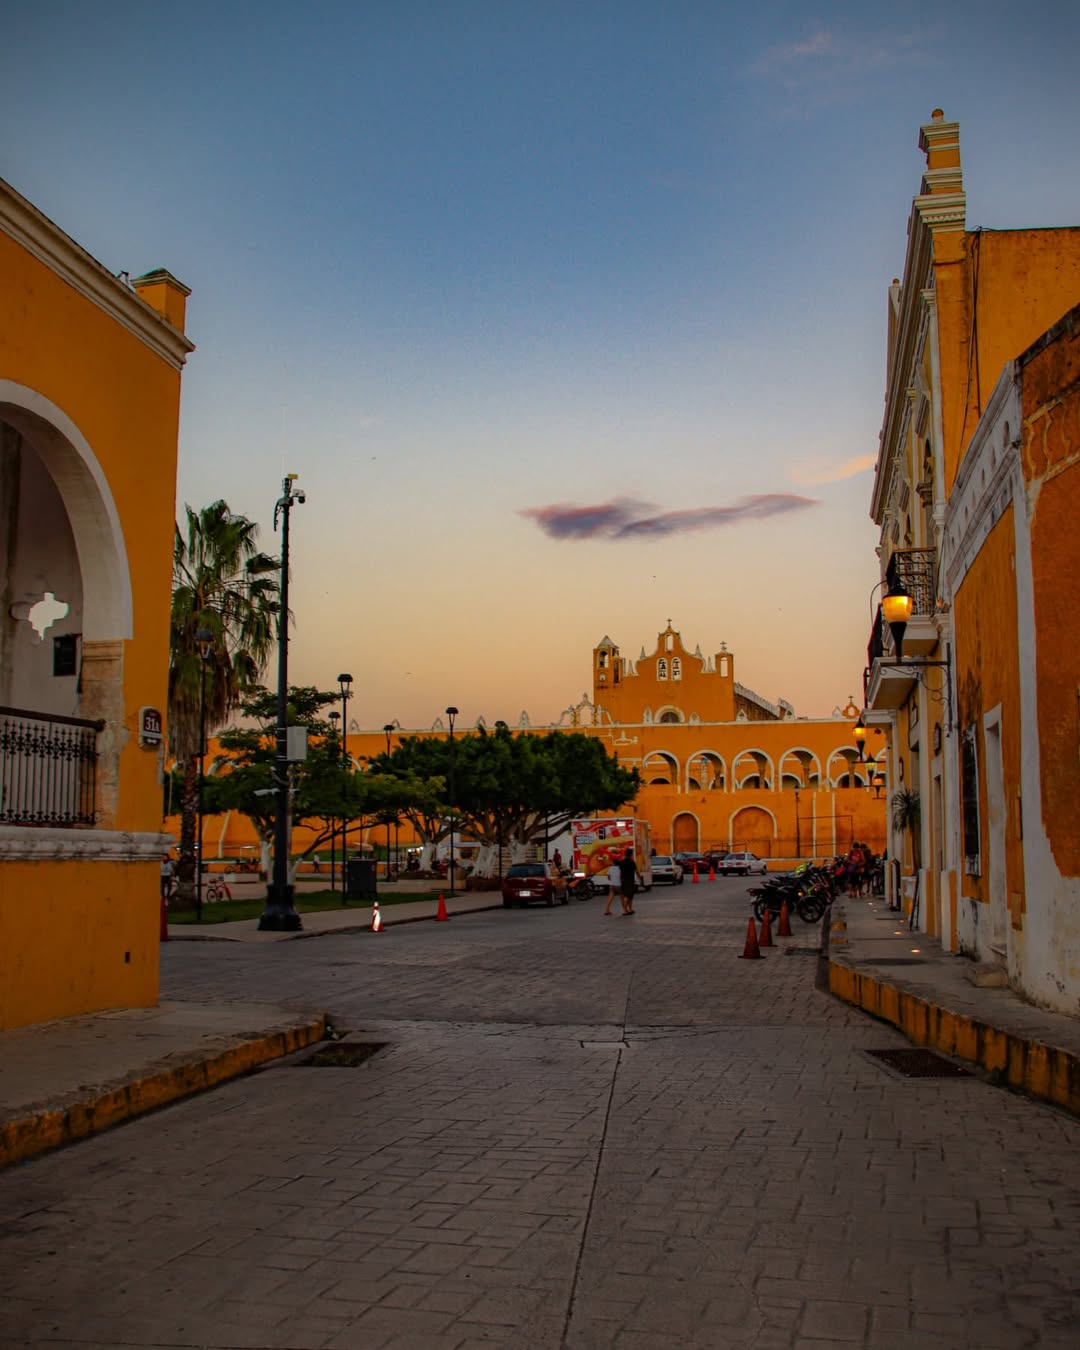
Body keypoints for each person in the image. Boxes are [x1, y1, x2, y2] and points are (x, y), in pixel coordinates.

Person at [617, 848, 642, 916]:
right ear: (631, 854)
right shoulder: (632, 862)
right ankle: (625, 910)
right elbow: (636, 872)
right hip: (630, 880)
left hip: (623, 880)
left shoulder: (622, 862)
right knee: (628, 895)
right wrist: (640, 879)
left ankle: (630, 909)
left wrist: (620, 879)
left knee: (630, 895)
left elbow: (620, 871)